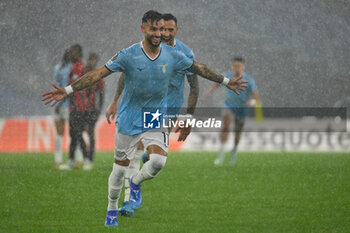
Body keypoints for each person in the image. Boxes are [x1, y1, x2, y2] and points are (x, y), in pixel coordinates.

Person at [42, 10, 248, 227]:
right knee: (119, 169)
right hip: (130, 117)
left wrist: (226, 81)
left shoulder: (174, 55)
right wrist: (68, 90)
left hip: (156, 115)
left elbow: (200, 69)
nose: (159, 33)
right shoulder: (128, 54)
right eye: (154, 29)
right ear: (143, 29)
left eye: (161, 29)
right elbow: (99, 74)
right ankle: (112, 207)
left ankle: (136, 182)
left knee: (158, 161)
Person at [105, 13, 199, 216]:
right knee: (136, 152)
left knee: (155, 160)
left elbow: (194, 86)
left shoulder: (183, 53)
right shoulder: (146, 50)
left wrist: (188, 118)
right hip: (149, 110)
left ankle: (137, 180)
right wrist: (114, 100)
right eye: (162, 29)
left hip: (170, 110)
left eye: (169, 30)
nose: (164, 33)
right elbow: (127, 74)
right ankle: (129, 201)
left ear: (176, 31)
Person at [203, 57, 259, 166]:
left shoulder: (248, 80)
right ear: (232, 66)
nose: (236, 68)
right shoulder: (228, 76)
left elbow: (256, 97)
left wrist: (251, 102)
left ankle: (233, 151)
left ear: (243, 67)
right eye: (235, 66)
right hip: (228, 106)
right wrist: (208, 92)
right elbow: (217, 82)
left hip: (242, 109)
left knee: (238, 133)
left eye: (239, 66)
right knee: (226, 125)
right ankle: (221, 154)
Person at [60, 44, 89, 170]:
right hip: (74, 108)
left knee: (77, 134)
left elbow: (79, 88)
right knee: (73, 134)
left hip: (80, 108)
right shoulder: (74, 68)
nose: (70, 55)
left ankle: (86, 160)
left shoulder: (80, 68)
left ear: (78, 53)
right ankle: (72, 161)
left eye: (72, 52)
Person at [84, 53, 104, 170]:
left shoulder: (98, 75)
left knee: (90, 134)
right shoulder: (83, 73)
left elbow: (101, 95)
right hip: (80, 109)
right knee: (78, 133)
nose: (91, 62)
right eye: (90, 59)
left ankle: (89, 159)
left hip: (92, 109)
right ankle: (82, 156)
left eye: (93, 60)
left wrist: (98, 111)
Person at [53, 49, 72, 169]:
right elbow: (57, 85)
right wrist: (58, 103)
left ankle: (72, 159)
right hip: (62, 105)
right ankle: (58, 160)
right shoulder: (59, 68)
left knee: (73, 133)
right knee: (61, 133)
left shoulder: (70, 68)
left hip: (67, 105)